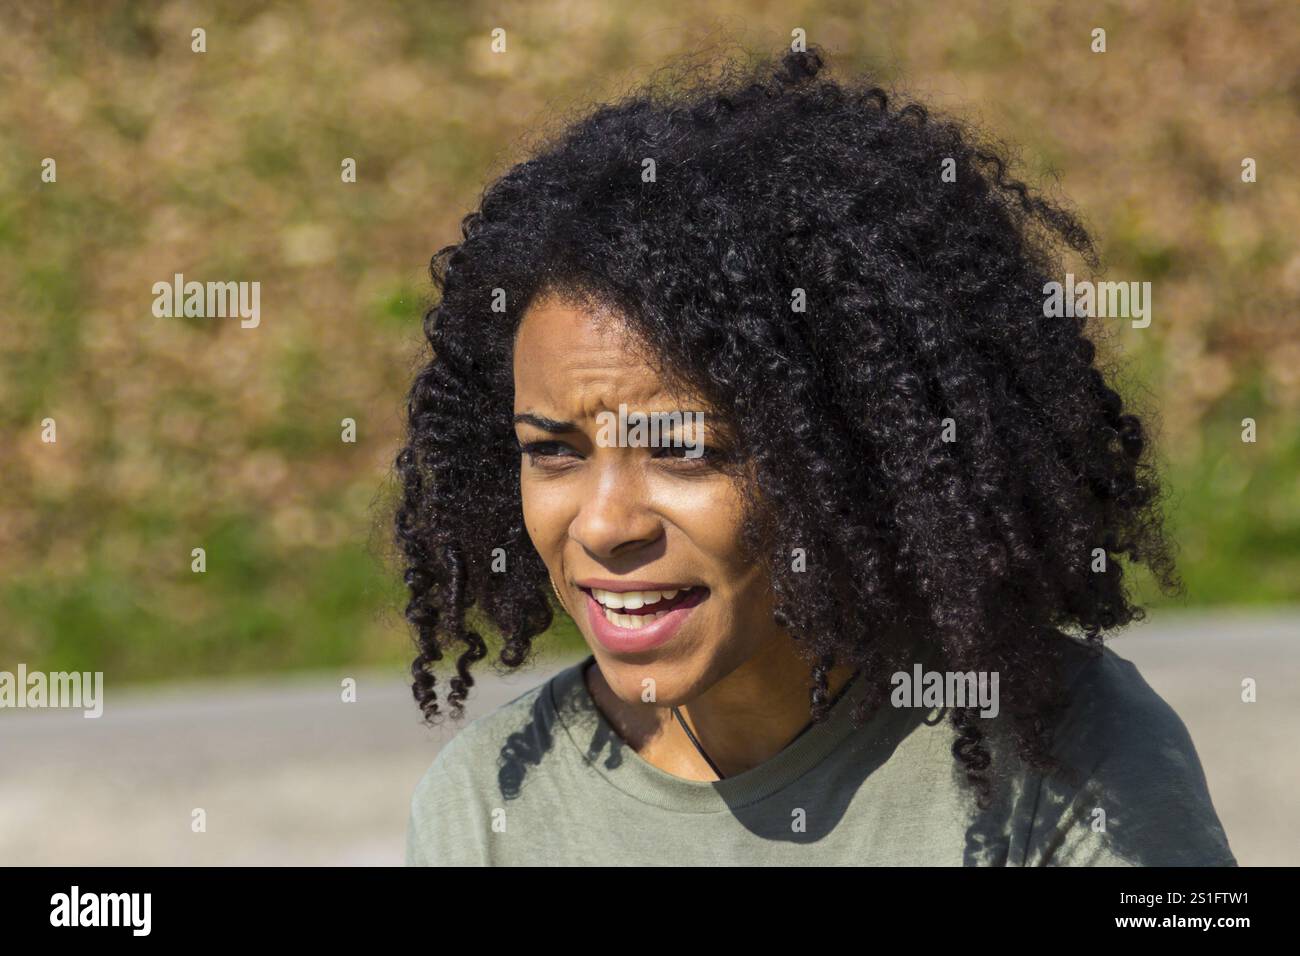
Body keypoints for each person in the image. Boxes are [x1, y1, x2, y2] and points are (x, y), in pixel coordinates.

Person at [394, 45, 1236, 866]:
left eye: (684, 452)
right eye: (552, 452)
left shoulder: (1078, 755)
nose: (605, 523)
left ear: (851, 459)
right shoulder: (487, 807)